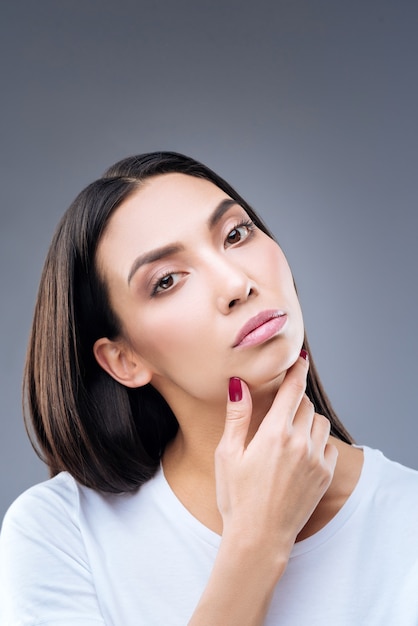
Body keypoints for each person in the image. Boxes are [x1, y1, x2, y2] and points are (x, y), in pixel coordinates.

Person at [0, 152, 417, 626]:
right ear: (125, 359)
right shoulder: (62, 535)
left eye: (236, 234)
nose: (236, 283)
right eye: (167, 281)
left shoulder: (408, 520)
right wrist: (255, 544)